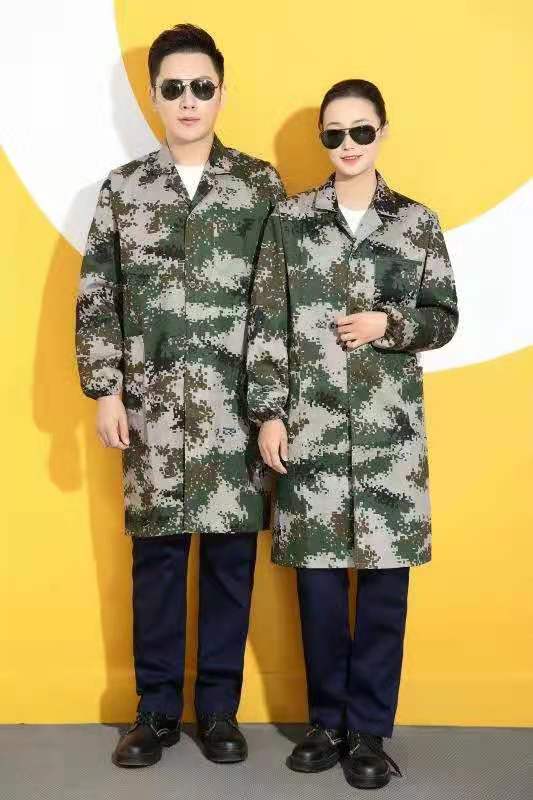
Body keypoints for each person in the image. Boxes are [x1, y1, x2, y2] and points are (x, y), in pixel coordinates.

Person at [75, 23, 285, 768]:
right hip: (154, 413)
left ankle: (219, 711)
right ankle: (156, 711)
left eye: (202, 86)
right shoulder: (124, 189)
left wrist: (271, 406)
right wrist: (106, 390)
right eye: (174, 88)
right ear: (154, 96)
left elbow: (277, 302)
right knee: (157, 562)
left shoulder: (259, 186)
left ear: (221, 93)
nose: (189, 100)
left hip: (235, 411)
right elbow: (99, 294)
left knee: (230, 562)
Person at [246, 78, 458, 790]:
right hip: (309, 431)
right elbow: (267, 322)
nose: (347, 145)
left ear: (381, 132)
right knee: (317, 587)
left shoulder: (416, 223)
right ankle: (326, 724)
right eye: (333, 133)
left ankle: (368, 730)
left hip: (388, 440)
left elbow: (443, 318)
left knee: (384, 590)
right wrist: (269, 413)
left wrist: (387, 324)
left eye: (360, 130)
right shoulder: (289, 220)